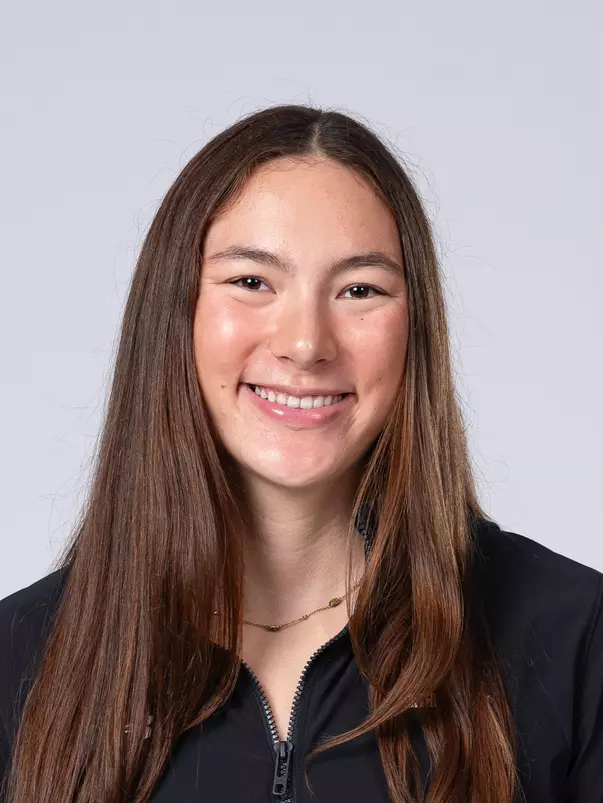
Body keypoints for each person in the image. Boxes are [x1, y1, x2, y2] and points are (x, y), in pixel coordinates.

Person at [0, 104, 601, 803]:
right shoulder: (22, 658)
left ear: (417, 329)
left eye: (359, 289)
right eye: (251, 281)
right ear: (176, 312)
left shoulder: (572, 637)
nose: (305, 342)